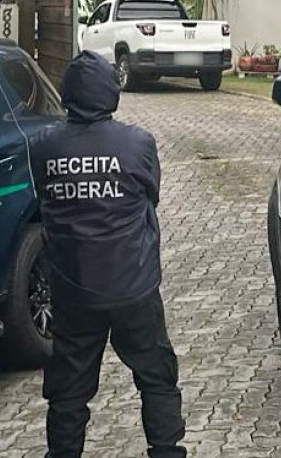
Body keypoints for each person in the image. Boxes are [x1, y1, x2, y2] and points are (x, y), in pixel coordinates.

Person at [31, 50, 186, 458]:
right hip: (133, 286)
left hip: (74, 291)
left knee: (67, 389)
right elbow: (151, 195)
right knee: (156, 377)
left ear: (67, 96)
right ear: (111, 92)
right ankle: (167, 451)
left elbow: (42, 201)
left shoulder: (43, 146)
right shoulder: (138, 143)